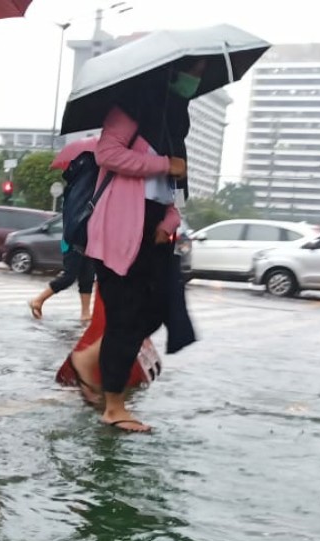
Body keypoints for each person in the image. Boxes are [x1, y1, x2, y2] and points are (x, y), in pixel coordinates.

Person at [67, 58, 202, 433]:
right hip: (120, 228)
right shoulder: (131, 107)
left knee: (157, 309)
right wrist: (163, 164)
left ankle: (88, 360)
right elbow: (108, 154)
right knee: (125, 316)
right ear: (171, 71)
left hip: (154, 230)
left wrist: (169, 220)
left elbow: (171, 193)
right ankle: (114, 407)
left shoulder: (172, 122)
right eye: (193, 71)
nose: (196, 79)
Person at [27, 232, 96, 323]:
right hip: (73, 246)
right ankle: (38, 300)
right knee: (68, 277)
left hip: (89, 247)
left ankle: (85, 313)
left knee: (87, 279)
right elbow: (71, 228)